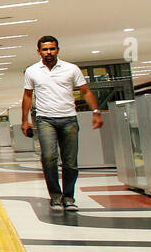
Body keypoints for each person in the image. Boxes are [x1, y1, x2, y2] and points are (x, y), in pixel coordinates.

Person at [21, 35, 101, 210]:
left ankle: (69, 197)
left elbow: (85, 91)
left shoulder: (71, 69)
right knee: (48, 158)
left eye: (52, 48)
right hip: (45, 120)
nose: (48, 52)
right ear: (38, 51)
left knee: (70, 161)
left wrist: (96, 111)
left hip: (69, 119)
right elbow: (27, 96)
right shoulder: (32, 71)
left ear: (58, 49)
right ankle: (56, 196)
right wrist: (24, 120)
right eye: (45, 49)